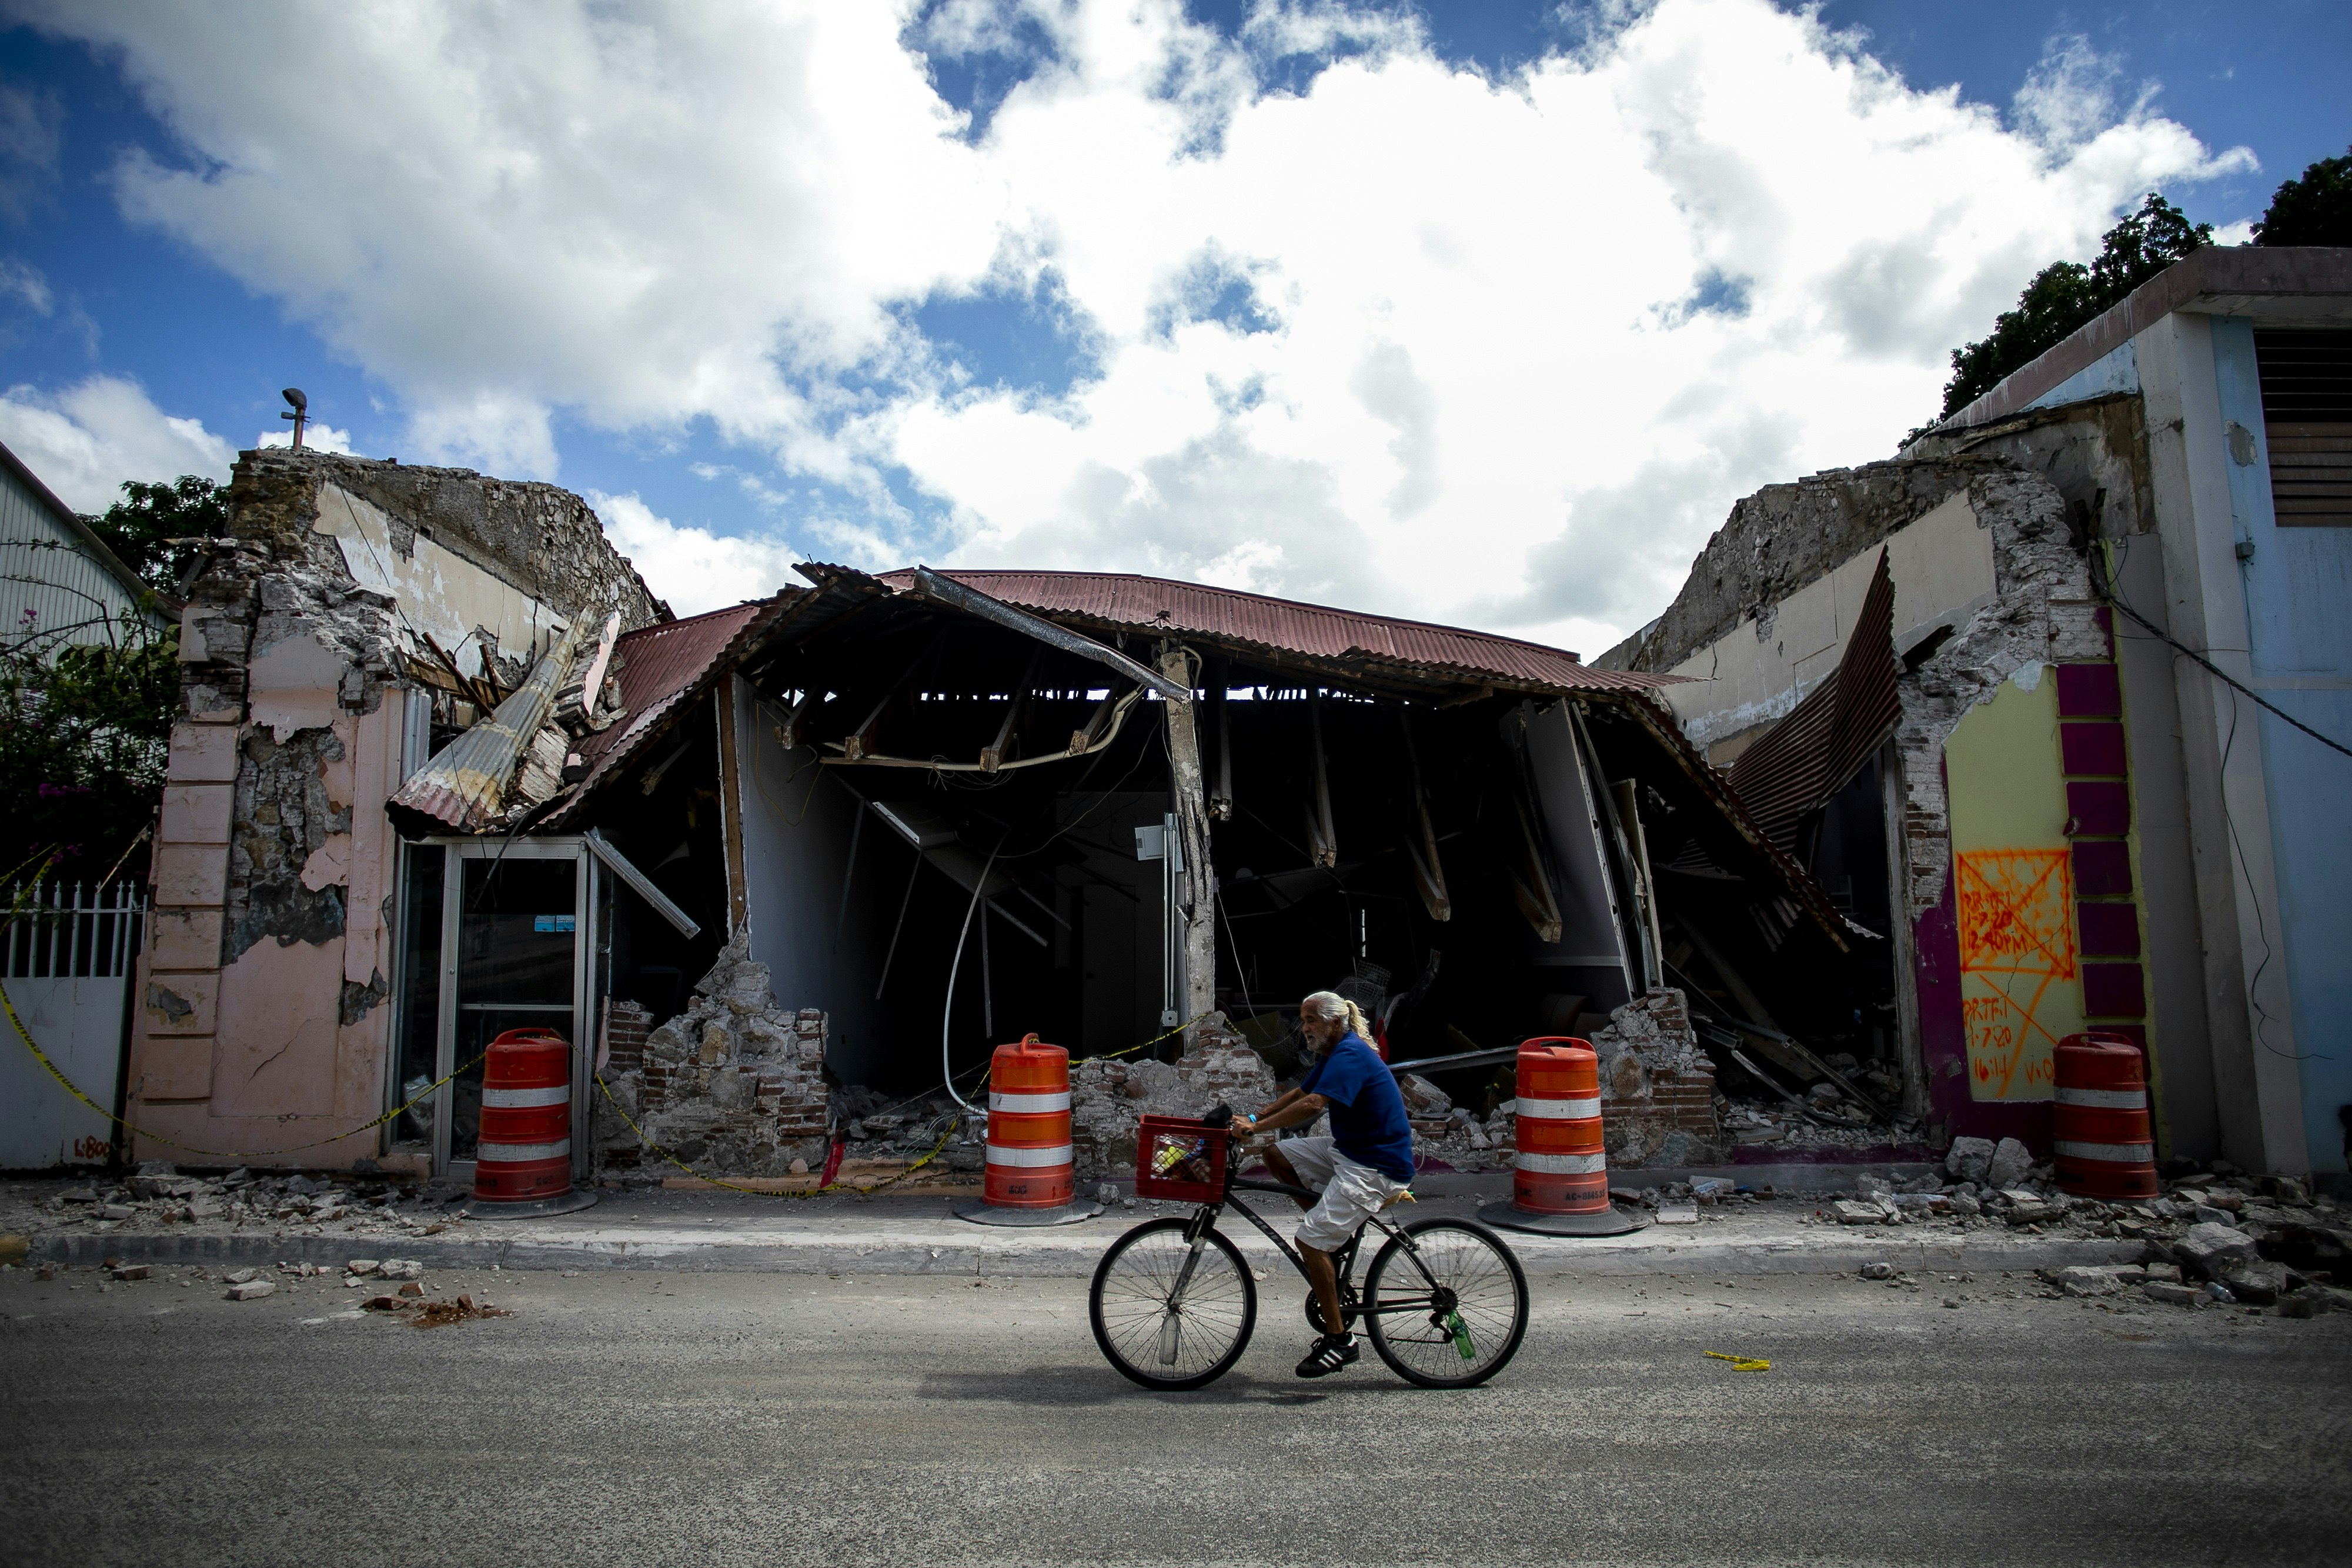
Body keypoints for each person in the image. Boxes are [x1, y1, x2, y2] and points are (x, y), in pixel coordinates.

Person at [1232, 989, 1416, 1378]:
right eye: (1304, 1019)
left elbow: (1314, 1104)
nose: (1304, 1028)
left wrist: (1257, 1127)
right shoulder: (1333, 1053)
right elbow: (1300, 1091)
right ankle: (1333, 1241)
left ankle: (1340, 1340)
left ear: (1335, 1022)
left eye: (1311, 1019)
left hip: (1375, 1166)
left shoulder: (1350, 1054)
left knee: (1309, 1240)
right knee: (1277, 1155)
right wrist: (1254, 1115)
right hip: (1349, 1151)